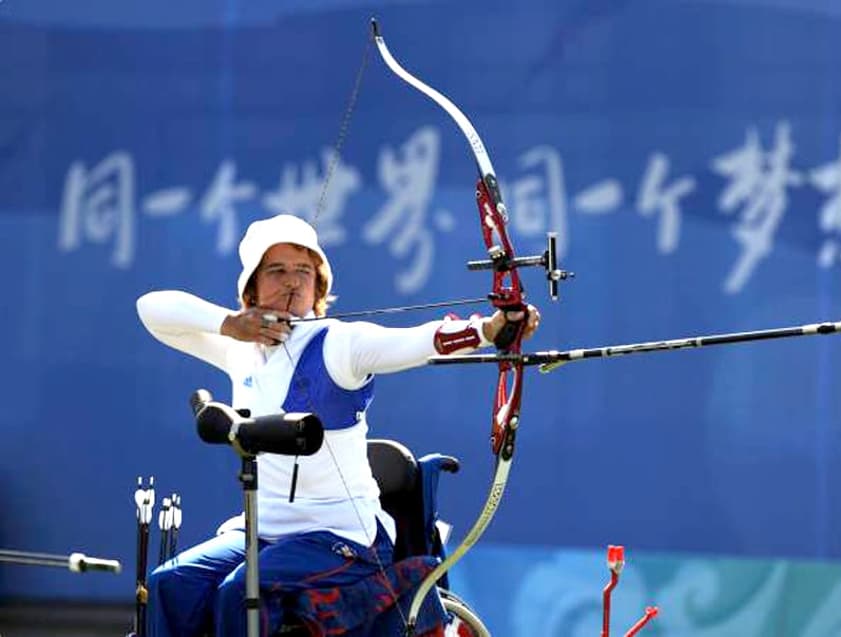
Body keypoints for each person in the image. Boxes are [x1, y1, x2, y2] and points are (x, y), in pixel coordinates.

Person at [136, 213, 540, 637]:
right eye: (276, 270)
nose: (292, 281)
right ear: (251, 287)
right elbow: (151, 309)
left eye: (304, 271)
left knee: (241, 591)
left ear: (319, 285)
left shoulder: (338, 344)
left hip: (341, 536)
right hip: (263, 532)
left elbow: (416, 342)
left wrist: (490, 329)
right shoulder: (238, 349)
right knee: (170, 582)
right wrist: (230, 325)